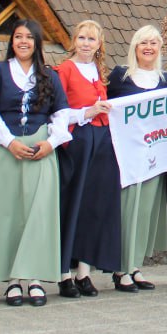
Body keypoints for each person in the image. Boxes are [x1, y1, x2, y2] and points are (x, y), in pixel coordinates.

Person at [0, 19, 71, 306]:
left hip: (40, 150)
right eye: (18, 37)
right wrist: (9, 142)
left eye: (29, 37)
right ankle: (12, 281)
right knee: (9, 214)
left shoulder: (49, 75)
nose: (23, 42)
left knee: (37, 214)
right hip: (5, 151)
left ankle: (34, 278)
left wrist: (50, 143)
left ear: (37, 43)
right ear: (12, 42)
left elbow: (61, 115)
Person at [107, 24, 167, 292]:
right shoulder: (120, 76)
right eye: (143, 43)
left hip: (154, 157)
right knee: (127, 211)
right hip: (127, 156)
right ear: (134, 47)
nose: (148, 48)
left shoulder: (164, 78)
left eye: (153, 43)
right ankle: (120, 268)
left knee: (146, 213)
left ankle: (135, 266)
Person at [54, 20, 116, 297]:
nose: (86, 43)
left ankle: (84, 272)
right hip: (77, 142)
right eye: (82, 38)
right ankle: (64, 273)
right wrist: (86, 113)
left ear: (99, 43)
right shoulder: (65, 70)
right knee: (73, 204)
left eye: (92, 39)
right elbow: (56, 112)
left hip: (102, 143)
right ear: (74, 41)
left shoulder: (100, 73)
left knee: (93, 206)